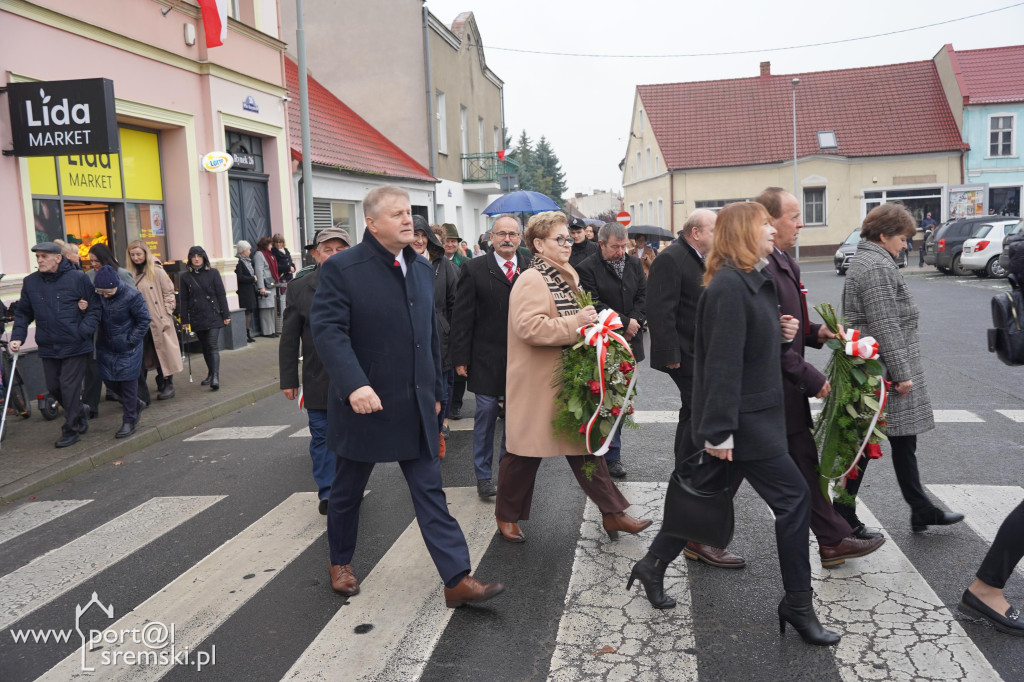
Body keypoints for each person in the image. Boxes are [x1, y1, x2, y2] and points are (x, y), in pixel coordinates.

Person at [650, 201, 838, 645]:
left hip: (754, 416)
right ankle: (797, 602)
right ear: (743, 235)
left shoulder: (754, 279)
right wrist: (717, 431)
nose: (773, 231)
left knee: (700, 501)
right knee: (793, 500)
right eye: (764, 226)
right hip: (744, 422)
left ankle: (652, 565)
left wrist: (783, 334)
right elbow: (719, 364)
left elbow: (754, 347)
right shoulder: (728, 287)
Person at [310, 185, 504, 607]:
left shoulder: (420, 267)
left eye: (409, 213)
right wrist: (355, 384)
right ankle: (340, 561)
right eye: (396, 214)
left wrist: (436, 391)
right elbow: (328, 332)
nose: (407, 221)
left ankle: (457, 578)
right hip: (366, 404)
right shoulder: (343, 268)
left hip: (414, 404)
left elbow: (428, 336)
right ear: (371, 222)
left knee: (431, 491)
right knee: (346, 492)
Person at [496, 211, 651, 544]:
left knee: (585, 447)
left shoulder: (565, 276)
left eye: (569, 238)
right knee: (524, 453)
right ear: (538, 244)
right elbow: (529, 327)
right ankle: (505, 515)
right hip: (538, 385)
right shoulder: (533, 279)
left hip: (566, 381)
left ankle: (613, 513)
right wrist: (578, 323)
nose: (568, 244)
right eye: (560, 239)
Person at [756, 187, 886, 566]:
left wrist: (817, 333)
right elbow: (769, 337)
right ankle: (686, 538)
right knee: (725, 473)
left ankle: (831, 540)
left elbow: (791, 324)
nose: (801, 224)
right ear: (768, 220)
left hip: (786, 389)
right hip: (771, 389)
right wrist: (809, 376)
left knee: (803, 465)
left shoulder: (784, 260)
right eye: (793, 216)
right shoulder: (761, 268)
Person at [839, 203, 964, 533]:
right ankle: (843, 513)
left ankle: (920, 508)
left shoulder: (871, 259)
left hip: (876, 365)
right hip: (882, 370)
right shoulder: (876, 266)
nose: (907, 244)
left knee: (902, 439)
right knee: (865, 444)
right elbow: (885, 323)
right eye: (903, 238)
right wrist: (902, 372)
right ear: (883, 235)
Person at [639, 208, 748, 572]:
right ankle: (691, 489)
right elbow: (661, 307)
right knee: (699, 414)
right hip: (685, 355)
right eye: (714, 228)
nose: (720, 234)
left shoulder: (703, 256)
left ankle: (685, 469)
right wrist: (669, 354)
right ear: (696, 231)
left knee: (694, 414)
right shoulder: (671, 258)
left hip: (702, 352)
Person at [451, 215, 529, 498]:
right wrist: (460, 357)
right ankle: (483, 476)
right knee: (485, 413)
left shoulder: (532, 267)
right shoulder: (474, 269)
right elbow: (461, 317)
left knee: (515, 418)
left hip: (523, 358)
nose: (507, 239)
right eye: (501, 234)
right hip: (485, 356)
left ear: (520, 238)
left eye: (512, 234)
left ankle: (506, 473)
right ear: (491, 238)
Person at [280, 227, 350, 516]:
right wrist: (288, 379)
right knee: (321, 436)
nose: (333, 255)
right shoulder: (300, 288)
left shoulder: (363, 284)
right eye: (327, 249)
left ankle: (348, 487)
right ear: (315, 253)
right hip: (317, 377)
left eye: (340, 249)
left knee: (350, 438)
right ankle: (329, 492)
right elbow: (289, 337)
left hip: (355, 379)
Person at [10, 243, 100, 448]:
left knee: (68, 387)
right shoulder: (31, 282)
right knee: (54, 387)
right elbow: (23, 313)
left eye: (44, 256)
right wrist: (18, 337)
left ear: (58, 258)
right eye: (38, 257)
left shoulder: (78, 278)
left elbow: (95, 308)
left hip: (75, 344)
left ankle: (71, 429)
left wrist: (83, 331)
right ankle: (79, 410)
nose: (40, 260)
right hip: (48, 344)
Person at [576, 221, 647, 478]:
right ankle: (596, 451)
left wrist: (635, 322)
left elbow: (642, 295)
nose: (620, 252)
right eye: (615, 247)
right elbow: (594, 304)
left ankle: (614, 454)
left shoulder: (634, 264)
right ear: (602, 244)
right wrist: (625, 323)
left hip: (631, 340)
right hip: (604, 341)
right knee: (602, 397)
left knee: (621, 399)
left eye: (623, 246)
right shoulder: (586, 268)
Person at [412, 216, 458, 459]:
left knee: (441, 388)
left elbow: (455, 303)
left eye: (423, 236)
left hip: (440, 337)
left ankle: (437, 428)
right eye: (415, 235)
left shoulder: (442, 264)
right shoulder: (399, 263)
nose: (419, 240)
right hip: (409, 338)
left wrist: (449, 330)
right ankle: (420, 436)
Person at [93, 265, 151, 438]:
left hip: (128, 347)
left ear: (116, 284)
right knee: (109, 381)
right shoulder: (98, 296)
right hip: (106, 346)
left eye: (108, 292)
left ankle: (129, 420)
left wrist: (131, 340)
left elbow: (144, 320)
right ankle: (135, 403)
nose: (104, 295)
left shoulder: (132, 296)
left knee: (127, 382)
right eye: (101, 292)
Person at [84, 244, 138, 413]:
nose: (94, 264)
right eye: (91, 261)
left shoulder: (122, 274)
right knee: (95, 370)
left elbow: (135, 300)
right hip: (97, 331)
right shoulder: (88, 276)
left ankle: (138, 400)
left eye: (97, 260)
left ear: (105, 258)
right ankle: (91, 408)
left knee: (126, 370)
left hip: (122, 329)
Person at [127, 240, 182, 401]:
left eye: (139, 254)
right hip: (139, 321)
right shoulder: (129, 274)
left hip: (158, 319)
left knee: (163, 352)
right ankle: (140, 390)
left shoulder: (157, 271)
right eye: (133, 255)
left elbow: (169, 292)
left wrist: (166, 312)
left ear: (146, 254)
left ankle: (168, 384)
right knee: (141, 354)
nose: (136, 258)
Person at [180, 246, 230, 391]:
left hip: (213, 315)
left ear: (204, 257)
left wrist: (226, 314)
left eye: (199, 256)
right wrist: (184, 320)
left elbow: (221, 294)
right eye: (193, 256)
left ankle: (215, 377)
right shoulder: (185, 277)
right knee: (205, 347)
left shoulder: (213, 273)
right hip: (197, 316)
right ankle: (210, 374)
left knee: (212, 345)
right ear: (189, 259)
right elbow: (183, 299)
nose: (196, 259)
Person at [253, 236, 279, 337]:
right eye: (270, 244)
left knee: (271, 308)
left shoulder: (269, 254)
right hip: (265, 285)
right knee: (265, 309)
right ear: (266, 244)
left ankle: (272, 330)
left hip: (271, 284)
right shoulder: (259, 254)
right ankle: (267, 331)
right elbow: (259, 272)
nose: (272, 246)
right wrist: (261, 287)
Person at [234, 241, 258, 343]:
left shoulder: (248, 261)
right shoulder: (238, 262)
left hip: (250, 291)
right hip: (244, 292)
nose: (250, 251)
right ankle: (244, 334)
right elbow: (239, 277)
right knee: (246, 313)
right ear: (243, 251)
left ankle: (248, 333)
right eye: (248, 249)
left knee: (249, 312)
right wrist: (252, 279)